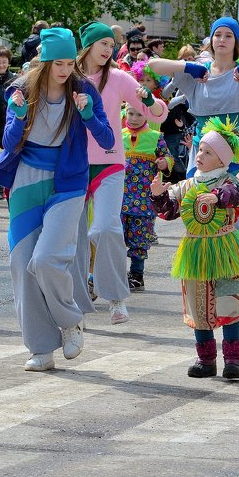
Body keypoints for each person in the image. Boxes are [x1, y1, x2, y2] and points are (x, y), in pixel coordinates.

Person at [0, 27, 113, 372]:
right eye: (58, 63)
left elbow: (106, 138)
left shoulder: (83, 89)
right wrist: (20, 114)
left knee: (46, 260)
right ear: (44, 62)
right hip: (27, 181)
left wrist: (88, 115)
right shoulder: (22, 89)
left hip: (68, 182)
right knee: (22, 266)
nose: (64, 70)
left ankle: (70, 320)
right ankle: (41, 348)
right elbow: (11, 142)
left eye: (69, 63)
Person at [74, 21, 168, 324]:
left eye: (111, 46)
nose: (108, 49)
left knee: (105, 228)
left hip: (110, 162)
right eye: (103, 43)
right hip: (72, 164)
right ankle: (75, 299)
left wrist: (151, 100)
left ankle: (115, 297)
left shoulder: (117, 77)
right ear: (88, 45)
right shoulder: (68, 76)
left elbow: (158, 113)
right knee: (72, 237)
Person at [151, 118, 239, 380]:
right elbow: (169, 211)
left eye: (208, 152)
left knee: (230, 303)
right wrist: (159, 196)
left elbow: (237, 195)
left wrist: (218, 197)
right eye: (200, 150)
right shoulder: (188, 185)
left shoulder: (229, 181)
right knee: (199, 307)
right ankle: (205, 360)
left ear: (222, 160)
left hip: (227, 249)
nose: (200, 155)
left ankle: (233, 361)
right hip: (195, 251)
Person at [146, 17, 239, 175]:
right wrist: (189, 66)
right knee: (197, 199)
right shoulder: (199, 72)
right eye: (217, 35)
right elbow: (153, 65)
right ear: (211, 40)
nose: (222, 39)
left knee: (233, 198)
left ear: (236, 41)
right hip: (202, 157)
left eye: (228, 36)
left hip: (236, 156)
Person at [120, 101, 171, 291]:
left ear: (147, 116)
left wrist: (164, 163)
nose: (133, 119)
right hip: (119, 198)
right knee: (115, 237)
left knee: (140, 239)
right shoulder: (117, 135)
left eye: (139, 115)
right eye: (130, 114)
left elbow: (168, 158)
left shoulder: (155, 138)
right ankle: (116, 273)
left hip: (144, 200)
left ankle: (136, 275)